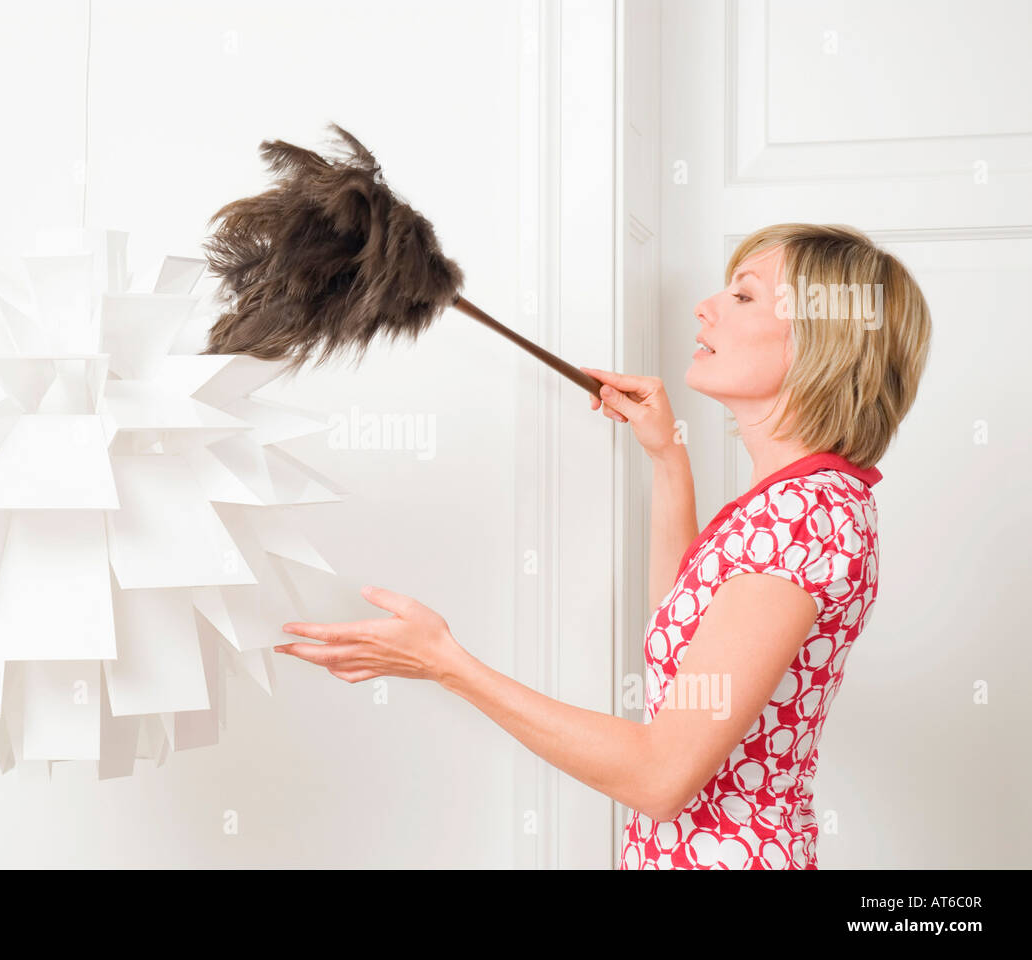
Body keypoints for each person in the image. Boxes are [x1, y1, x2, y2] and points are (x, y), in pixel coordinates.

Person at [274, 223, 932, 869]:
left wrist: (447, 664)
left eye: (744, 295)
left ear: (824, 341)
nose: (706, 307)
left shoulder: (801, 520)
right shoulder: (800, 503)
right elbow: (689, 621)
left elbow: (661, 776)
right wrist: (667, 454)